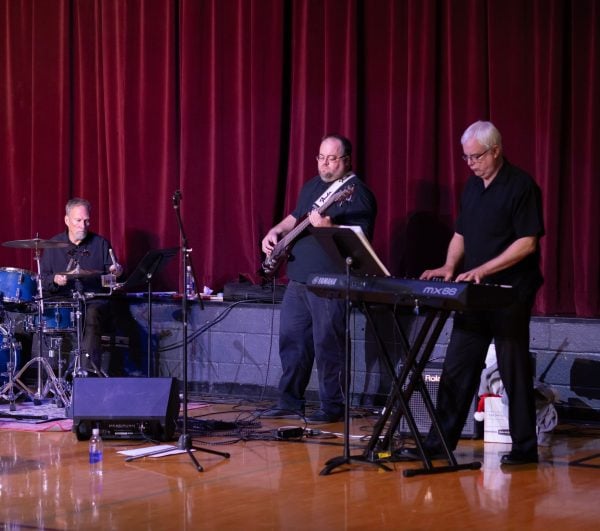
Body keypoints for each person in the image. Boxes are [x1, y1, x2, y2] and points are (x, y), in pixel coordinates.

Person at [404, 121, 544, 465]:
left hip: (510, 292)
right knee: (457, 367)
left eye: (476, 157)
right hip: (475, 295)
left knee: (513, 370)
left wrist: (483, 269)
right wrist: (449, 266)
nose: (470, 163)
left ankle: (525, 449)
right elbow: (460, 234)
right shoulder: (471, 186)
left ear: (496, 150)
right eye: (466, 158)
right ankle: (439, 443)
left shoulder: (521, 185)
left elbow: (527, 242)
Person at [261, 134, 377, 424]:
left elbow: (358, 241)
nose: (325, 164)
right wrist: (275, 231)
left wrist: (329, 227)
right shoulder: (312, 186)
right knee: (292, 342)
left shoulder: (356, 192)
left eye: (332, 158)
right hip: (298, 278)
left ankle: (332, 406)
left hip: (330, 281)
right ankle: (289, 401)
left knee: (329, 344)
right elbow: (295, 217)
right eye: (321, 157)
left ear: (346, 160)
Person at [39, 197, 123, 374]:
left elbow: (110, 277)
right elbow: (43, 279)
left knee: (92, 315)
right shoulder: (53, 246)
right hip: (63, 300)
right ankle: (52, 375)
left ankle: (86, 374)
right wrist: (55, 279)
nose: (83, 226)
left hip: (93, 301)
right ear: (67, 220)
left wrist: (115, 271)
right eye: (78, 220)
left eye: (86, 221)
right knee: (45, 315)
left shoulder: (101, 244)